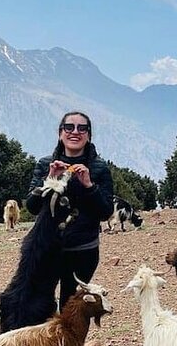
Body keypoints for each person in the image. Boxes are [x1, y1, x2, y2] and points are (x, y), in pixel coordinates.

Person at [25, 111, 114, 310]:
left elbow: (106, 212)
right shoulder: (45, 164)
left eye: (82, 128)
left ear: (89, 135)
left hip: (83, 250)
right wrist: (49, 180)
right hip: (46, 248)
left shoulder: (99, 168)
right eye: (69, 127)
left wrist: (89, 186)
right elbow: (31, 207)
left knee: (72, 309)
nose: (75, 132)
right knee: (40, 305)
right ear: (60, 133)